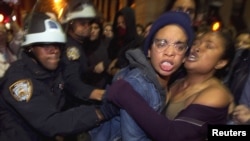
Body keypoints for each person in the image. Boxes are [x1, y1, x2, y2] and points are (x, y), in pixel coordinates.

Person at [0, 12, 112, 141]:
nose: (54, 50)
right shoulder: (19, 81)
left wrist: (105, 96)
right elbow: (51, 123)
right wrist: (101, 112)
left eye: (58, 44)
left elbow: (72, 86)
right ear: (30, 48)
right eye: (46, 44)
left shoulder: (53, 70)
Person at [106, 30, 235, 141]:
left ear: (221, 62)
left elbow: (173, 136)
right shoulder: (175, 79)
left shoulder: (216, 94)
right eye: (195, 43)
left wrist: (125, 94)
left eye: (209, 46)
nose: (196, 48)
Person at [90, 11, 195, 141]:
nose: (170, 52)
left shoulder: (175, 81)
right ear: (149, 51)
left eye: (179, 47)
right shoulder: (138, 85)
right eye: (161, 44)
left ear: (185, 57)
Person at [61, 0, 105, 106]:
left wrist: (92, 70)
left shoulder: (80, 44)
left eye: (88, 23)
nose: (87, 26)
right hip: (72, 104)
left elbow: (81, 71)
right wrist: (100, 94)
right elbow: (71, 81)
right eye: (82, 23)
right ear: (70, 24)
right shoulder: (72, 49)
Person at [105, 6, 144, 82]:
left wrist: (117, 70)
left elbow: (138, 66)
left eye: (123, 23)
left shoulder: (139, 42)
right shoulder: (114, 42)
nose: (120, 26)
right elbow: (108, 61)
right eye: (118, 23)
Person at [83, 18, 110, 89]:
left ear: (100, 29)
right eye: (90, 28)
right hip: (89, 86)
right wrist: (93, 69)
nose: (92, 31)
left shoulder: (107, 42)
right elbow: (80, 69)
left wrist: (105, 64)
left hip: (106, 85)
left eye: (96, 28)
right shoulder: (82, 46)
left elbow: (114, 58)